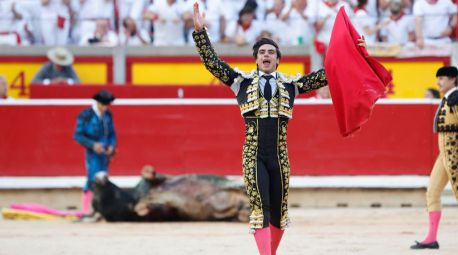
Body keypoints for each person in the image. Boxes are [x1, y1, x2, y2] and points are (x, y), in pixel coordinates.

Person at [192, 3, 365, 255]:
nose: (266, 55)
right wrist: (200, 33)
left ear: (278, 59)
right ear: (256, 58)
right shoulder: (241, 82)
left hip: (279, 157)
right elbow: (212, 63)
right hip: (253, 155)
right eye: (262, 51)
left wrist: (354, 54)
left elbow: (328, 74)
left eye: (271, 52)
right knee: (260, 207)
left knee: (279, 211)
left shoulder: (291, 85)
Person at [411, 66, 458, 249]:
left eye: (442, 79)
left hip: (454, 151)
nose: (438, 82)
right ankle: (431, 238)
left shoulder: (456, 99)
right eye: (438, 79)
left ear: (453, 79)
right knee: (432, 191)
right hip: (444, 152)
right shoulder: (448, 98)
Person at [74, 89, 117, 214]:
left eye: (107, 105)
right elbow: (78, 135)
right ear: (98, 103)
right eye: (104, 104)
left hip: (105, 152)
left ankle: (100, 209)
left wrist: (111, 146)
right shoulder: (85, 115)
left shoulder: (108, 114)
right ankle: (86, 209)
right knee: (92, 178)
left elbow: (112, 133)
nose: (105, 107)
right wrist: (92, 145)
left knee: (104, 179)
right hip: (92, 152)